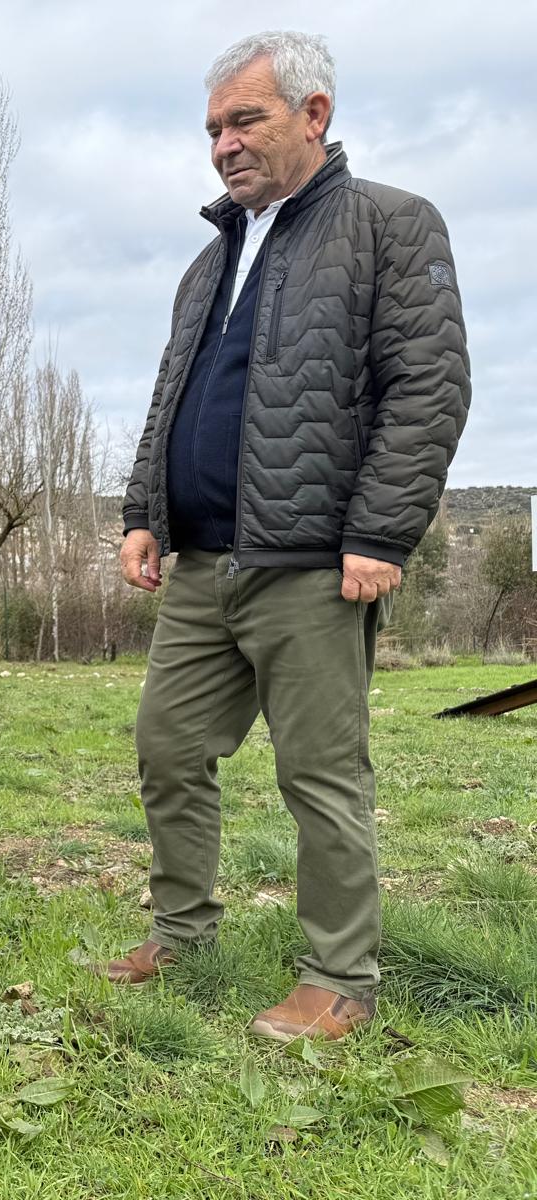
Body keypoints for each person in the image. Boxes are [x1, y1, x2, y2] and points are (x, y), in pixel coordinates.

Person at [108, 31, 470, 1041]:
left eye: (244, 120)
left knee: (319, 773)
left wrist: (381, 531)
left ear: (313, 116)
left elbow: (429, 389)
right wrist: (143, 511)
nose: (222, 144)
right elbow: (169, 397)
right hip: (202, 563)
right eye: (213, 127)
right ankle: (181, 927)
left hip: (314, 564)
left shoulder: (390, 227)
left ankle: (338, 979)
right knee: (166, 747)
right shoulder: (207, 259)